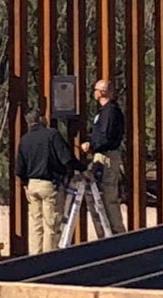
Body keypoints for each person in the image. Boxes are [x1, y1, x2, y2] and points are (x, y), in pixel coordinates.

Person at [11, 111, 82, 254]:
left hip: (32, 185)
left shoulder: (25, 140)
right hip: (50, 185)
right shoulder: (52, 135)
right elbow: (67, 158)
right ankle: (49, 259)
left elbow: (19, 169)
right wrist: (81, 168)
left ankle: (35, 257)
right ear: (41, 119)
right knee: (52, 225)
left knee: (36, 225)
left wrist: (25, 184)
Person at [81, 77, 129, 240]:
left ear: (103, 92)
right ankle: (106, 233)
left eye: (95, 90)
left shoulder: (110, 112)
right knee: (98, 196)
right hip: (101, 156)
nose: (93, 93)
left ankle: (118, 234)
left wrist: (92, 145)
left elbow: (106, 137)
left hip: (107, 157)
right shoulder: (104, 112)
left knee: (109, 196)